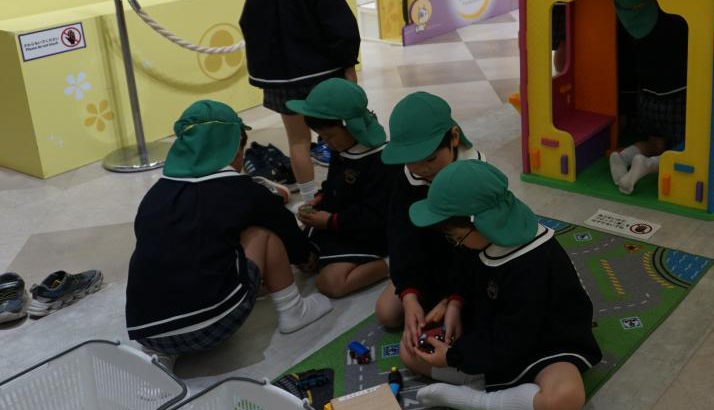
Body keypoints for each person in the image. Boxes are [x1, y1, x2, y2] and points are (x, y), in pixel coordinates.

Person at [125, 101, 331, 368]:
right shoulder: (243, 191)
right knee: (262, 233)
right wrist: (306, 255)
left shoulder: (156, 195)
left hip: (147, 330)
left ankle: (163, 354)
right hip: (214, 323)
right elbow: (284, 226)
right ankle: (294, 310)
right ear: (233, 149)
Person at [407, 160, 601, 410]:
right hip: (494, 336)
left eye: (456, 237)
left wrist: (455, 356)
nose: (455, 243)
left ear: (482, 223)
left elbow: (516, 335)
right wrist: (454, 303)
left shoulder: (534, 263)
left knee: (564, 399)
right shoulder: (480, 237)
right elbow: (463, 271)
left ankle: (476, 400)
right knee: (408, 352)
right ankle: (480, 376)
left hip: (543, 342)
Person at [239, 0, 361, 201]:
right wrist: (348, 65)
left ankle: (307, 199)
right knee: (339, 135)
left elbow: (250, 30)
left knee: (297, 141)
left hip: (284, 84)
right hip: (325, 78)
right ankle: (346, 192)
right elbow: (343, 29)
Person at [375, 92, 485, 359]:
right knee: (387, 312)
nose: (423, 169)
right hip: (429, 265)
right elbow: (401, 239)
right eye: (412, 162)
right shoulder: (406, 178)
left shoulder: (476, 177)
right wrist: (409, 295)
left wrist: (453, 298)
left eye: (430, 159)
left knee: (474, 322)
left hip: (474, 271)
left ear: (454, 138)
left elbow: (481, 250)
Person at [287, 79, 393, 298]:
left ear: (350, 126)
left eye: (330, 136)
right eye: (322, 137)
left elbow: (376, 216)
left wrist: (330, 221)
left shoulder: (381, 160)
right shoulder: (342, 147)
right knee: (300, 256)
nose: (327, 143)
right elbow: (335, 184)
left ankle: (393, 262)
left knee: (331, 283)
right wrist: (320, 198)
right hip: (341, 224)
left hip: (369, 233)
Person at [609, 0, 689, 194]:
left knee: (655, 142)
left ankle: (623, 156)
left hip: (647, 99)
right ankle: (648, 165)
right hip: (678, 97)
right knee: (686, 147)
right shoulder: (670, 17)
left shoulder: (631, 18)